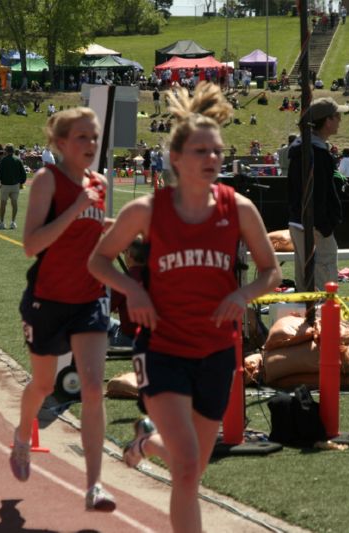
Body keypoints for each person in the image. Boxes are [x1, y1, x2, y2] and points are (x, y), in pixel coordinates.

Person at [87, 82, 280, 533]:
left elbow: (271, 272)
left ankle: (147, 442)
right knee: (189, 466)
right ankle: (155, 442)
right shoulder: (147, 211)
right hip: (164, 349)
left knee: (191, 468)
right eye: (200, 151)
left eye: (216, 151)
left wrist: (242, 294)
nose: (212, 159)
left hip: (216, 352)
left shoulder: (240, 209)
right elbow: (97, 259)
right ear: (176, 158)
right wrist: (132, 291)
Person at [9, 107, 117, 512]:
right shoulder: (46, 180)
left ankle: (94, 486)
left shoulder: (99, 183)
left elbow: (88, 235)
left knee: (92, 387)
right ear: (60, 143)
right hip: (47, 298)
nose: (90, 145)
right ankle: (23, 435)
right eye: (81, 138)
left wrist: (107, 228)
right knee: (42, 385)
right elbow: (31, 245)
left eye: (94, 137)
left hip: (89, 297)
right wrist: (76, 211)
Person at [287, 97, 349, 290]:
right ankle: (322, 321)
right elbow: (319, 194)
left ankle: (311, 320)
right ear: (327, 120)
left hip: (300, 222)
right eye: (337, 116)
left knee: (306, 285)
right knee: (324, 288)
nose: (340, 120)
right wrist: (324, 227)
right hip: (313, 226)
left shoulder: (305, 148)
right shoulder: (316, 152)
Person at [0, 144, 27, 230]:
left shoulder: (4, 160)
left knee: (3, 203)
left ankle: (1, 222)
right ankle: (13, 222)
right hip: (15, 185)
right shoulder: (18, 160)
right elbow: (23, 174)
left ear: (6, 151)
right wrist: (21, 182)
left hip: (5, 185)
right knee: (14, 203)